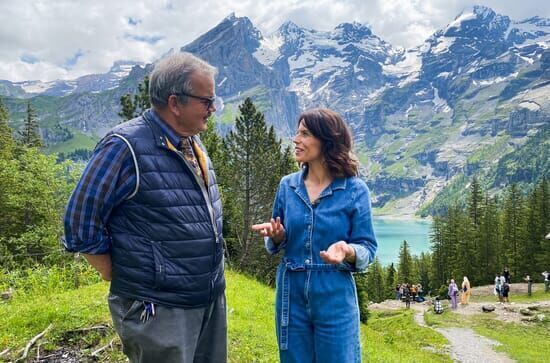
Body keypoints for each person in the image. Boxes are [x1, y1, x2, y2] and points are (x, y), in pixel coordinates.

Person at [64, 52, 226, 363]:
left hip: (206, 298)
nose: (213, 108)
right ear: (175, 103)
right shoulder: (124, 146)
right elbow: (79, 222)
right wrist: (120, 273)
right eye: (206, 100)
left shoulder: (191, 141)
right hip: (159, 308)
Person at [251, 108, 377, 362]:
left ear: (327, 140)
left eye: (305, 134)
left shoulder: (354, 190)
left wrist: (347, 251)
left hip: (334, 294)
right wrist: (277, 237)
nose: (296, 140)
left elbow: (368, 248)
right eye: (297, 133)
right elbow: (277, 240)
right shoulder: (287, 185)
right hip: (291, 294)